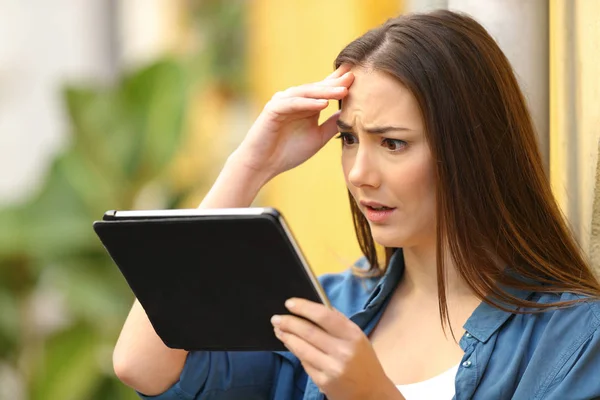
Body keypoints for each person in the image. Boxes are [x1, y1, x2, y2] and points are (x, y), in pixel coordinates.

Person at [112, 10, 600, 400]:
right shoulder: (323, 309)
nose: (359, 174)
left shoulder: (573, 336)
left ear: (473, 147)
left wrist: (371, 395)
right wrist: (250, 167)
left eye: (392, 143)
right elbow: (144, 366)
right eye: (348, 139)